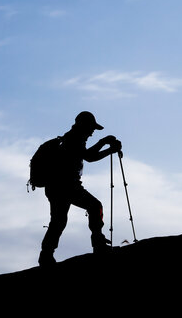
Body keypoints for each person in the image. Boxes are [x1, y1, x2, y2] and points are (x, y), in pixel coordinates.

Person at [38, 111, 122, 266]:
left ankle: (46, 255)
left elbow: (86, 155)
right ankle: (98, 245)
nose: (92, 132)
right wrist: (106, 145)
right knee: (94, 206)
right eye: (91, 128)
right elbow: (89, 156)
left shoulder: (71, 138)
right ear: (84, 125)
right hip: (66, 186)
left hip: (56, 187)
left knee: (58, 221)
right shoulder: (73, 139)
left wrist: (104, 144)